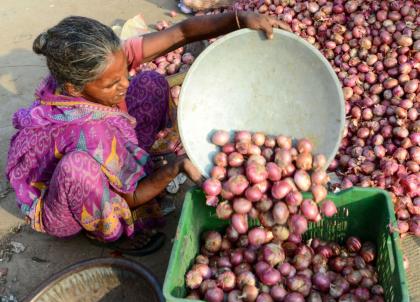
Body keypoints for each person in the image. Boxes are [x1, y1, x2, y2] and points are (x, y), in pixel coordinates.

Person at [6, 12, 290, 255]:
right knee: (78, 170)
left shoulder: (104, 66)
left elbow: (181, 32)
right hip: (66, 203)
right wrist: (171, 170)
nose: (124, 84)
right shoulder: (85, 131)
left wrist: (239, 19)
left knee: (151, 83)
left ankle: (127, 166)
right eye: (112, 84)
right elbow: (130, 197)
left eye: (123, 73)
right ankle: (105, 231)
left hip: (100, 146)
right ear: (73, 89)